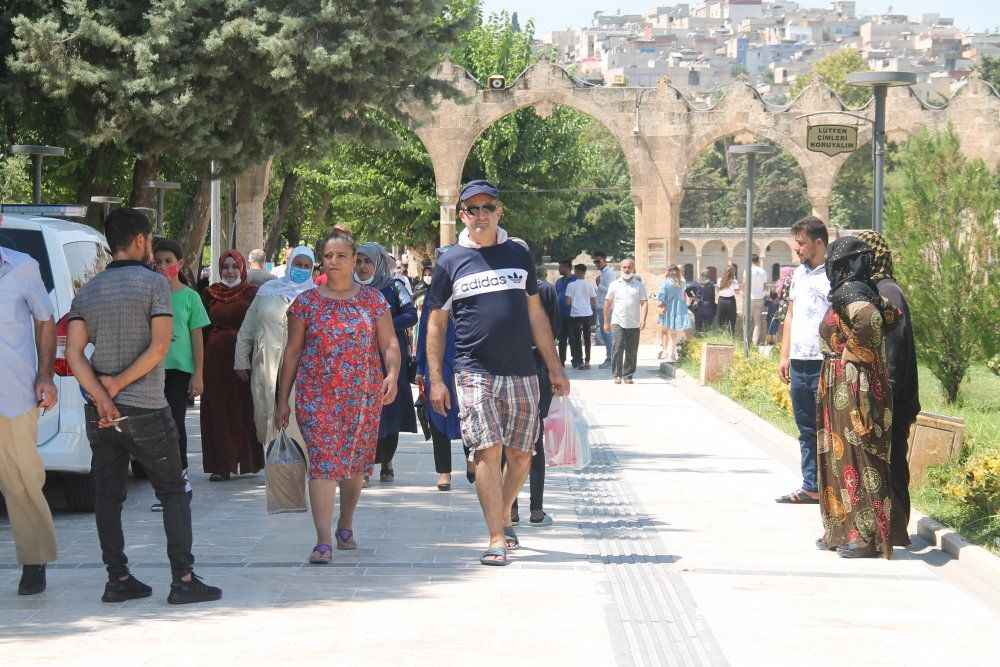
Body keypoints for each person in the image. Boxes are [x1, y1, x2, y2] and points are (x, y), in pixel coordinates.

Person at [65, 208, 221, 604]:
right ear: (139, 240)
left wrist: (102, 396)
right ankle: (182, 579)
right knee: (172, 490)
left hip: (101, 413)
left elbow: (75, 353)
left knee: (108, 494)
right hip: (148, 407)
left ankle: (117, 578)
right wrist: (117, 384)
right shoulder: (155, 286)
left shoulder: (88, 290)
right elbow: (159, 347)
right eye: (149, 241)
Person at [425, 179, 569, 566]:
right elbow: (436, 324)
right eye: (473, 209)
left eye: (488, 207)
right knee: (486, 450)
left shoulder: (518, 254)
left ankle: (502, 514)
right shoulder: (450, 261)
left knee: (522, 455)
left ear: (499, 211)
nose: (481, 215)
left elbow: (536, 313)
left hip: (521, 370)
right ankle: (495, 536)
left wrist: (554, 366)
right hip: (473, 370)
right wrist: (436, 379)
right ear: (462, 215)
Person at [275, 231, 400, 564]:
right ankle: (322, 539)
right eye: (327, 256)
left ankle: (346, 522)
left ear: (354, 258)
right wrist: (280, 401)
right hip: (316, 396)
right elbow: (292, 353)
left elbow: (388, 343)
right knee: (323, 465)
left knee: (355, 466)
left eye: (340, 256)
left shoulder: (373, 300)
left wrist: (392, 374)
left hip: (362, 395)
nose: (333, 262)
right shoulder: (306, 302)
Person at [815, 237, 903, 559]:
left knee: (860, 457)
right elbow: (889, 315)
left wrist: (851, 353)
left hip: (855, 387)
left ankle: (866, 535)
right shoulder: (860, 291)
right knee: (839, 457)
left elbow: (873, 321)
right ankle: (842, 528)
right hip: (841, 385)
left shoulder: (853, 293)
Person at [0, 244, 58, 595]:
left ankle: (34, 559)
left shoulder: (23, 267)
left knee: (21, 478)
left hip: (14, 393)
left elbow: (45, 321)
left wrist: (45, 375)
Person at [856, 230, 920, 546]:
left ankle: (896, 531)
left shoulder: (888, 293)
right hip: (887, 394)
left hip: (892, 396)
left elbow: (893, 353)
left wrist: (884, 397)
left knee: (893, 463)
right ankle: (890, 529)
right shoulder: (878, 290)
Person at [234, 246, 315, 452]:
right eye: (298, 264)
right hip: (267, 362)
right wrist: (241, 359)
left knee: (298, 417)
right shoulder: (267, 291)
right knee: (266, 412)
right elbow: (248, 327)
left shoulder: (316, 296)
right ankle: (273, 460)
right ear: (290, 264)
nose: (301, 269)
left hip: (302, 367)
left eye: (307, 266)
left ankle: (297, 460)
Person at [151, 239, 210, 511]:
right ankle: (162, 484)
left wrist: (198, 374)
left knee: (174, 424)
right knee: (155, 428)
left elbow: (197, 338)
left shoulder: (190, 297)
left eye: (168, 261)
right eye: (158, 261)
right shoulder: (149, 294)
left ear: (180, 264)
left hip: (178, 371)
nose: (163, 266)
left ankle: (180, 478)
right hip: (151, 370)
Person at [776, 216, 830, 505]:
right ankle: (811, 485)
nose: (797, 249)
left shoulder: (833, 274)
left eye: (801, 243)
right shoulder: (799, 275)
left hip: (824, 361)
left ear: (818, 242)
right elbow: (791, 315)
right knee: (806, 428)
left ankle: (833, 487)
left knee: (829, 427)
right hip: (799, 362)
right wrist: (784, 355)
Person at [355, 242, 418, 483]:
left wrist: (384, 327)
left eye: (367, 261)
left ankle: (387, 460)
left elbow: (410, 315)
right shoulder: (348, 288)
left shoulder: (394, 286)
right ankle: (365, 461)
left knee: (389, 409)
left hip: (389, 357)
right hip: (359, 359)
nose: (362, 266)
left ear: (378, 263)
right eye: (358, 261)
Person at [200, 251, 262, 481]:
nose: (229, 271)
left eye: (234, 267)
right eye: (225, 267)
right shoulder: (209, 293)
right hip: (214, 361)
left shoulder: (251, 293)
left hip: (242, 360)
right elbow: (201, 329)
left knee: (242, 408)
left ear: (242, 268)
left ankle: (246, 460)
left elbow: (258, 327)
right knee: (217, 409)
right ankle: (220, 465)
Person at [510, 256, 560, 527]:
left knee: (508, 441)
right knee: (534, 438)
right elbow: (555, 330)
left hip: (506, 368)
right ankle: (536, 509)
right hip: (537, 366)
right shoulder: (545, 289)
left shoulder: (501, 289)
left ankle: (512, 508)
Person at [414, 246, 464, 491]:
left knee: (470, 414)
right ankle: (444, 471)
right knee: (438, 416)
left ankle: (474, 459)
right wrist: (421, 368)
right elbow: (424, 332)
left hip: (468, 363)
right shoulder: (433, 296)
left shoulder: (471, 291)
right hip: (439, 366)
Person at [603, 258, 648, 383]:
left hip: (634, 323)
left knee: (631, 350)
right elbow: (607, 303)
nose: (627, 269)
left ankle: (628, 375)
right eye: (624, 267)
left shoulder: (639, 285)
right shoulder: (614, 284)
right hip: (617, 321)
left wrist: (643, 320)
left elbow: (644, 303)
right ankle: (616, 374)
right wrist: (606, 321)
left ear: (633, 268)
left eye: (629, 267)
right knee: (617, 348)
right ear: (620, 268)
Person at [565, 263, 597, 370]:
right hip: (587, 314)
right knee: (587, 338)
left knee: (577, 339)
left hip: (575, 314)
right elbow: (593, 301)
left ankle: (579, 362)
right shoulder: (589, 285)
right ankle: (587, 361)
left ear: (576, 271)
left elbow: (568, 302)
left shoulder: (571, 285)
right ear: (585, 272)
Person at [657, 265, 691, 362]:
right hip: (679, 307)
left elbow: (661, 297)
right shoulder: (682, 282)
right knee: (674, 332)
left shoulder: (665, 283)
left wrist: (660, 306)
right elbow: (684, 295)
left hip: (668, 307)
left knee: (665, 330)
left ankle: (666, 351)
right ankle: (672, 352)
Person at [592, 251, 617, 368]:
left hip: (606, 308)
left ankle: (611, 358)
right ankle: (610, 357)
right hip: (600, 306)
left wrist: (599, 284)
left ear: (604, 260)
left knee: (607, 333)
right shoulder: (602, 273)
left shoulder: (610, 273)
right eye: (595, 261)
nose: (596, 263)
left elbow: (611, 291)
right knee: (603, 333)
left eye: (598, 261)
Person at [553, 259, 576, 366]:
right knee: (562, 339)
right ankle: (561, 361)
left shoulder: (575, 280)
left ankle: (576, 360)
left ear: (567, 268)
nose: (559, 269)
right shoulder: (559, 282)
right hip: (561, 315)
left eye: (561, 267)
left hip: (572, 314)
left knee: (573, 338)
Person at [749, 254, 768, 345]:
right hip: (759, 298)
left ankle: (746, 342)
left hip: (749, 299)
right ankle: (754, 342)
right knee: (757, 322)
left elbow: (745, 285)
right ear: (758, 261)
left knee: (747, 320)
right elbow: (765, 287)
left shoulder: (748, 270)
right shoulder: (763, 271)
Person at [716, 265, 739, 336]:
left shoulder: (720, 280)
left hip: (721, 301)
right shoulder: (734, 281)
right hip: (730, 301)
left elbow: (717, 290)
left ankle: (720, 336)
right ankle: (731, 336)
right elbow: (737, 292)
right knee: (731, 321)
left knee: (720, 320)